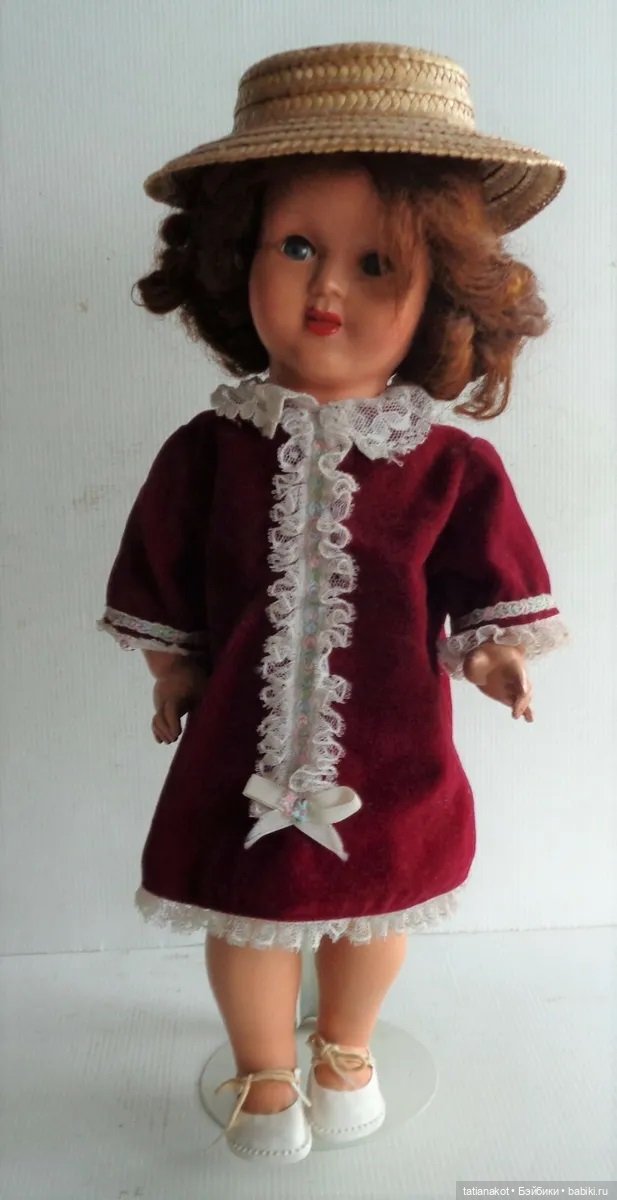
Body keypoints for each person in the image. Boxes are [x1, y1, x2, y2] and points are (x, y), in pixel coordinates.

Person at [97, 42, 570, 1164]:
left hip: (392, 744)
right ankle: (266, 1074)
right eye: (297, 248)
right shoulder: (210, 451)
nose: (325, 291)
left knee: (377, 906)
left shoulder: (445, 465)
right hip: (238, 743)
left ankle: (344, 1051)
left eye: (374, 264)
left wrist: (494, 658)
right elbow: (164, 573)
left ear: (438, 293)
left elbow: (484, 585)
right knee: (246, 911)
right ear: (236, 259)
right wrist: (172, 669)